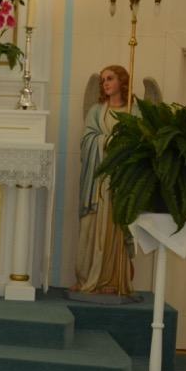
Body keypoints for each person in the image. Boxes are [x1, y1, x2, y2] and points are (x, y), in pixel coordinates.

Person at [73, 65, 134, 297]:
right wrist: (106, 142)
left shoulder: (133, 111)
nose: (106, 83)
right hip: (97, 179)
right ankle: (87, 276)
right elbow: (86, 140)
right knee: (91, 227)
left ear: (122, 81)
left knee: (114, 229)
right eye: (103, 80)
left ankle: (112, 278)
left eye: (110, 79)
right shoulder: (97, 111)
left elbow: (140, 143)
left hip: (119, 180)